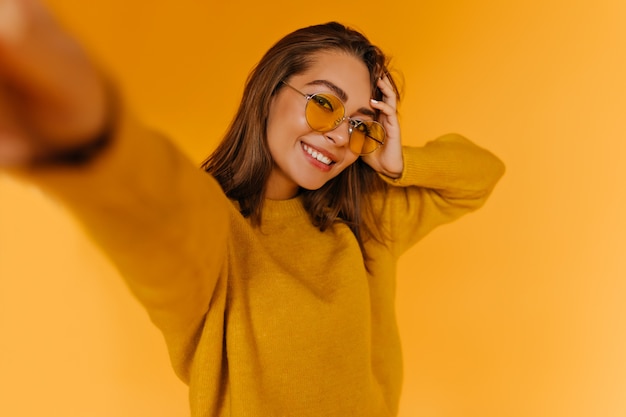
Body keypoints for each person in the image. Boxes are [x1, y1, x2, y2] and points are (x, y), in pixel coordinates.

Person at [0, 1, 505, 416]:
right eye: (324, 103)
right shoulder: (218, 233)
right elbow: (156, 211)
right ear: (270, 92)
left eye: (359, 125)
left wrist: (392, 160)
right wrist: (95, 132)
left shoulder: (367, 223)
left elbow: (481, 175)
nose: (338, 136)